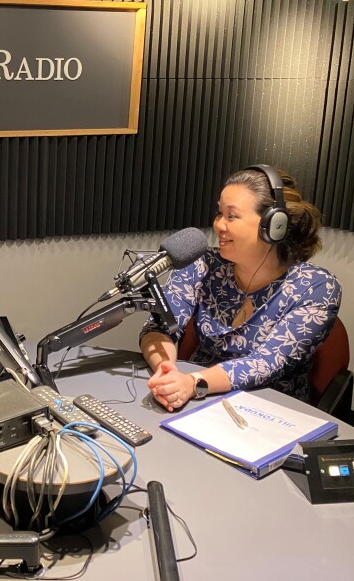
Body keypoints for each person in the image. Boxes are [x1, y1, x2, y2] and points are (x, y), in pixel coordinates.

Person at [142, 165, 341, 411]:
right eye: (219, 214)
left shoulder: (316, 287)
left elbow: (265, 363)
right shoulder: (202, 264)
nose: (218, 225)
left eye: (231, 216)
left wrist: (192, 383)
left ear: (274, 225)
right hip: (194, 400)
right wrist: (167, 370)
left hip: (268, 412)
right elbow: (159, 326)